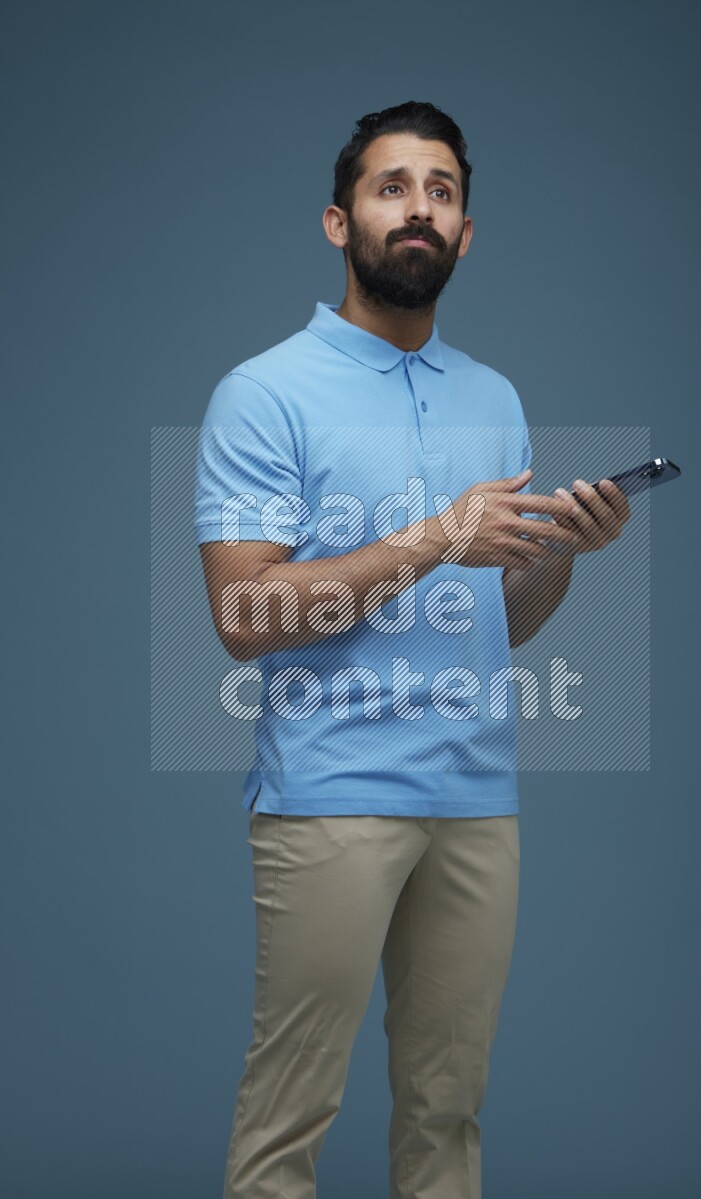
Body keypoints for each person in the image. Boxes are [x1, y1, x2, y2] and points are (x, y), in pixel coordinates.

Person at [195, 100, 630, 1199]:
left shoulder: (494, 397)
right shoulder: (264, 393)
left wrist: (565, 549)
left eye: (440, 190)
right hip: (329, 795)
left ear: (465, 232)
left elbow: (508, 618)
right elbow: (243, 616)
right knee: (289, 1118)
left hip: (476, 798)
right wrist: (438, 533)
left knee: (448, 1112)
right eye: (392, 187)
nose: (417, 208)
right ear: (339, 222)